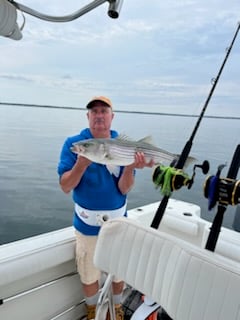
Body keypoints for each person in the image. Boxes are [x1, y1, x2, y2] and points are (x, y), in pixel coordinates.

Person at [57, 96, 154, 320]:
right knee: (89, 274)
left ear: (112, 116)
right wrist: (81, 165)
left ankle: (117, 308)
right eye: (94, 111)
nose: (99, 115)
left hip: (118, 224)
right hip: (87, 226)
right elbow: (65, 186)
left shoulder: (123, 145)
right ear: (88, 117)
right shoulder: (74, 144)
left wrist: (130, 168)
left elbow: (124, 189)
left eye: (104, 111)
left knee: (118, 272)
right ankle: (92, 311)